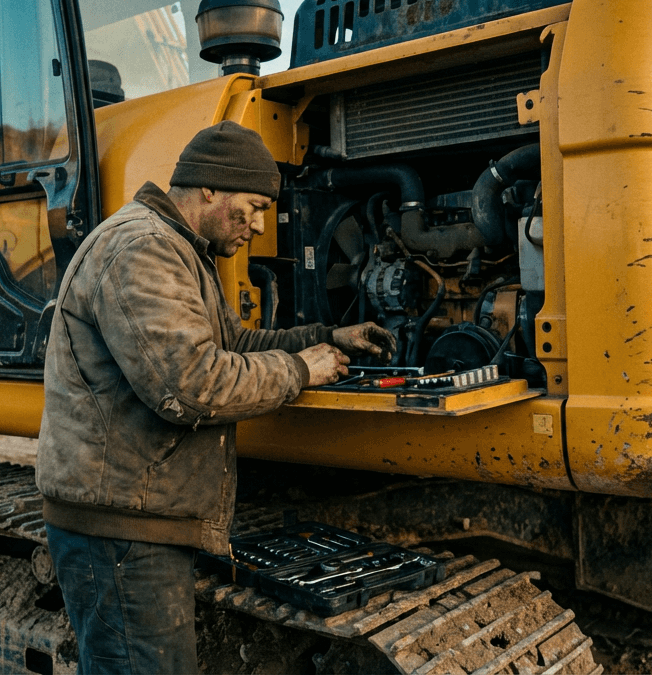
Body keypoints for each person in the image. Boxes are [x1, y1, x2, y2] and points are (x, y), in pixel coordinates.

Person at [36, 120, 395, 674]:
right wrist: (301, 369)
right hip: (120, 530)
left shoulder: (180, 250)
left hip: (137, 517)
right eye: (249, 208)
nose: (256, 226)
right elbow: (190, 385)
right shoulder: (142, 250)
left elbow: (236, 344)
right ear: (208, 188)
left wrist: (326, 338)